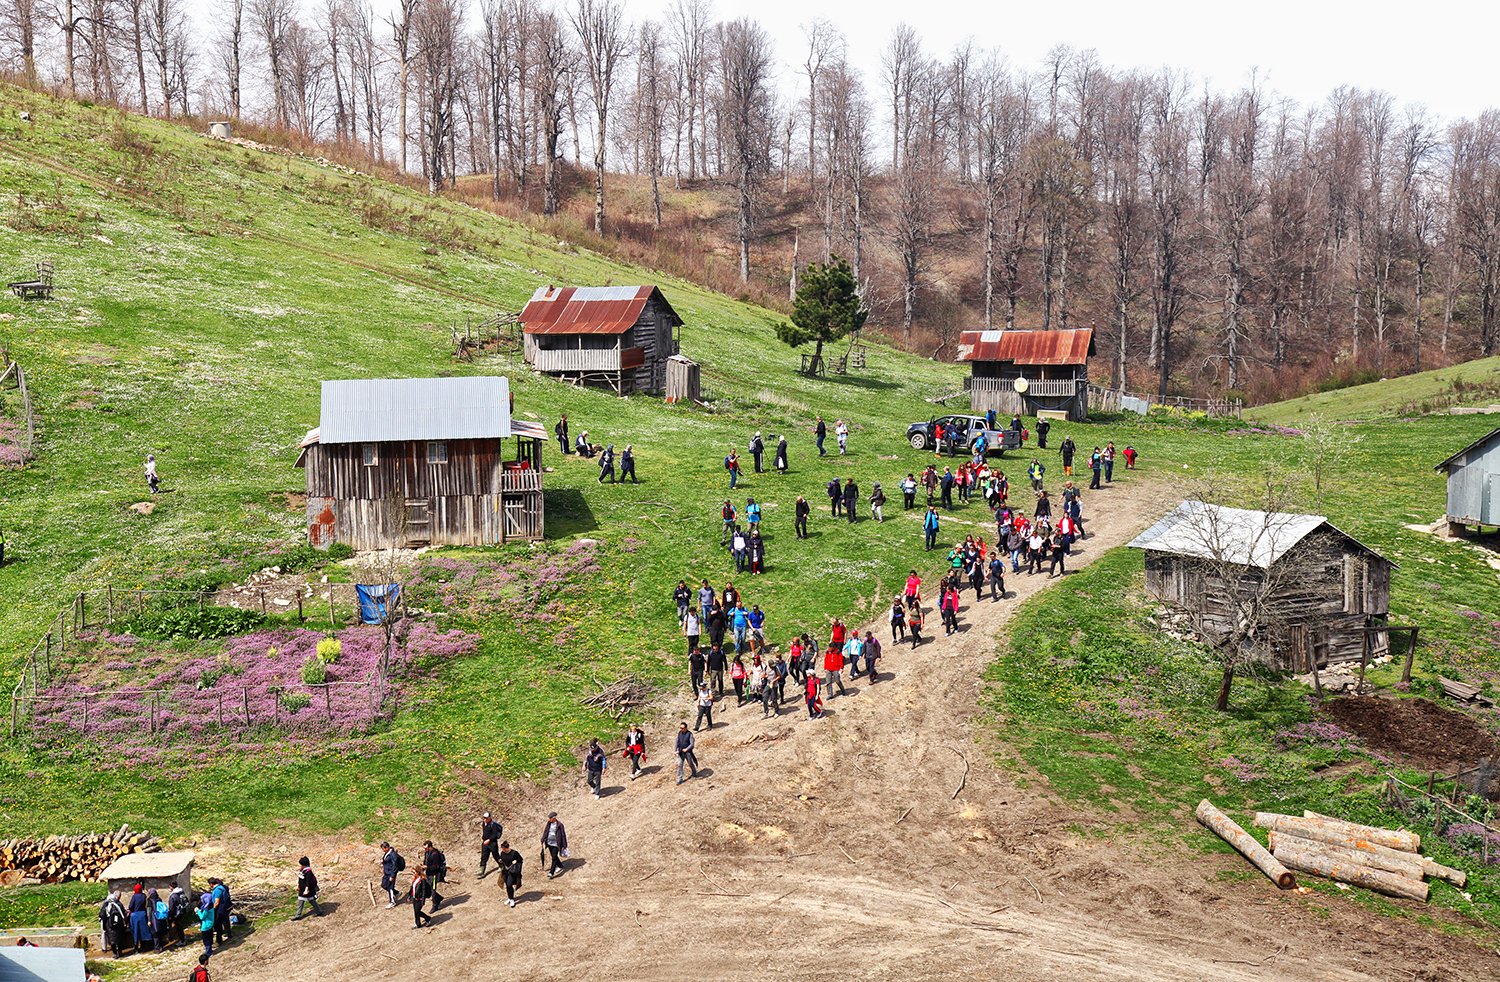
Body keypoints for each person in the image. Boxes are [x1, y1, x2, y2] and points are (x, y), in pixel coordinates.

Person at [100, 891, 128, 958]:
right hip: (119, 925)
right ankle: (120, 952)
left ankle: (115, 954)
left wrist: (104, 928)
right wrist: (125, 922)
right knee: (119, 939)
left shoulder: (106, 906)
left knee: (112, 941)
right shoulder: (119, 904)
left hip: (109, 926)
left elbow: (103, 917)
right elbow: (124, 913)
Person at [540, 813, 568, 878]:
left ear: (554, 818)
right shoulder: (549, 823)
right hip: (549, 843)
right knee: (554, 856)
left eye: (550, 818)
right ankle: (560, 865)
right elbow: (546, 831)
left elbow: (563, 835)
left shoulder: (560, 825)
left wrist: (564, 845)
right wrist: (542, 839)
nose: (549, 819)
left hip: (556, 844)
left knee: (554, 858)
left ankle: (551, 872)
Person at [498, 841, 524, 906]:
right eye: (502, 849)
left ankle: (512, 899)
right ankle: (509, 897)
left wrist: (516, 861)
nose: (503, 850)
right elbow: (503, 859)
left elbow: (520, 859)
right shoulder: (502, 853)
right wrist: (501, 861)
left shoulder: (514, 853)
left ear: (508, 848)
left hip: (512, 871)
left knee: (509, 884)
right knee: (507, 885)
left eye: (504, 849)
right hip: (505, 871)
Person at [479, 812, 504, 877]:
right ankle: (482, 871)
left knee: (495, 855)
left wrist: (489, 840)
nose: (485, 819)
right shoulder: (484, 824)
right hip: (485, 843)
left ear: (490, 818)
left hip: (492, 843)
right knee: (484, 857)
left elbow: (495, 834)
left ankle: (502, 866)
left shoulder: (494, 825)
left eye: (486, 818)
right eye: (484, 818)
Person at [208, 878, 231, 945]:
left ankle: (219, 940)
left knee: (218, 925)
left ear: (211, 884)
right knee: (225, 922)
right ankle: (229, 934)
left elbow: (217, 902)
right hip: (224, 908)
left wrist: (213, 910)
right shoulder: (221, 887)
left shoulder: (217, 890)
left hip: (220, 909)